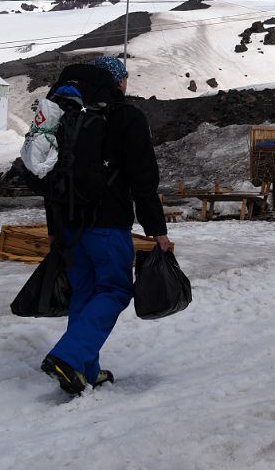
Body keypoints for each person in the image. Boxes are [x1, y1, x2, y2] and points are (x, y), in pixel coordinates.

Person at [38, 56, 169, 395]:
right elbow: (143, 178)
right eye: (124, 76)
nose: (126, 81)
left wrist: (54, 226)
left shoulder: (65, 115)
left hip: (68, 224)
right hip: (108, 223)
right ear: (116, 81)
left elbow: (52, 173)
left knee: (85, 292)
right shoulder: (126, 117)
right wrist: (158, 230)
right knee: (114, 289)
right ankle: (68, 357)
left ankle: (84, 370)